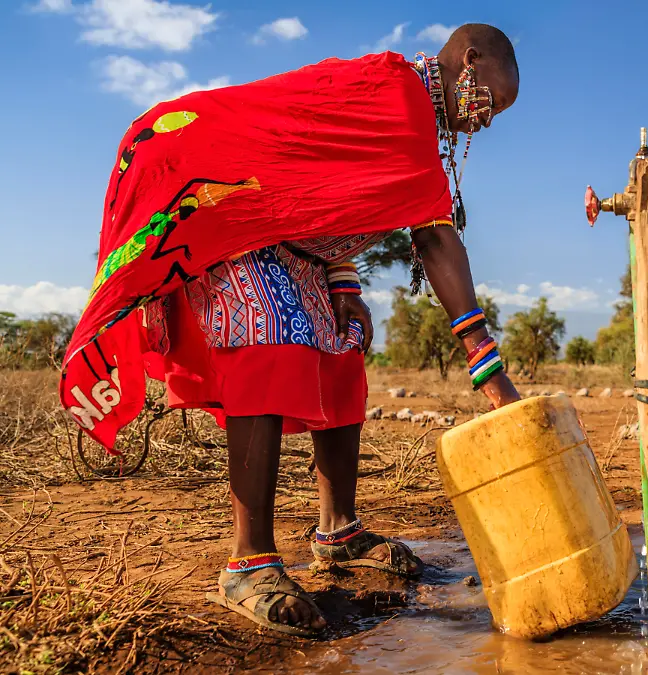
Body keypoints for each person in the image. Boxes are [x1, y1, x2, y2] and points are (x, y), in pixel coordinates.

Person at [61, 25, 522, 636]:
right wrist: (487, 365)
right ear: (471, 61)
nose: (486, 122)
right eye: (492, 100)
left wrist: (343, 285)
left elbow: (321, 188)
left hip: (282, 234)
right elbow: (434, 237)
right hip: (220, 201)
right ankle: (247, 563)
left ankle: (338, 533)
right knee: (271, 336)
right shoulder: (400, 94)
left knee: (340, 349)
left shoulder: (405, 110)